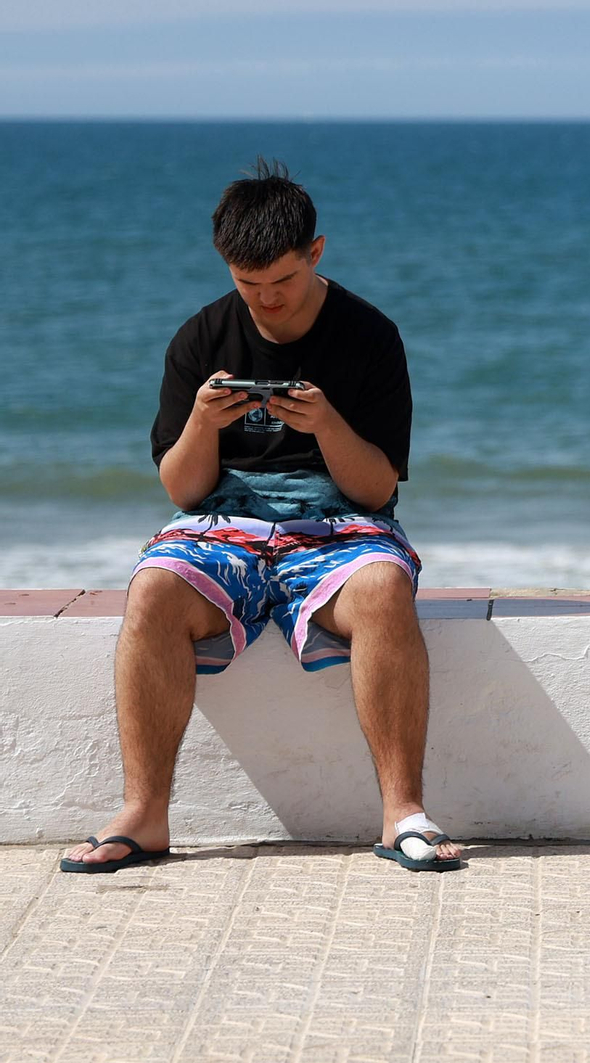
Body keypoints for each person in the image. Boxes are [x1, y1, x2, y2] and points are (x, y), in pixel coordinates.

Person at [61, 160, 461, 873]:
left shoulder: (370, 336)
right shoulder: (199, 339)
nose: (268, 301)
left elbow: (375, 492)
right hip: (223, 524)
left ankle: (404, 811)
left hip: (341, 522)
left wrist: (329, 425)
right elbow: (182, 491)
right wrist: (202, 423)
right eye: (250, 285)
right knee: (152, 586)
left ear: (316, 252)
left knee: (383, 586)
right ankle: (145, 813)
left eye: (283, 280)